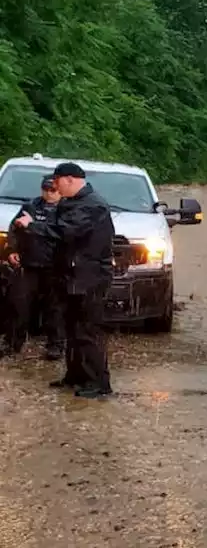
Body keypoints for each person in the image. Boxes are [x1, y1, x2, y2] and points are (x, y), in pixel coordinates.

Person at [16, 162, 115, 398]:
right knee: (71, 329)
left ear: (69, 179)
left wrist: (33, 226)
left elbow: (65, 231)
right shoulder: (73, 203)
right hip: (70, 276)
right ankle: (75, 376)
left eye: (57, 182)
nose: (55, 187)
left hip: (89, 277)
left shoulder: (92, 205)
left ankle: (98, 383)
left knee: (87, 331)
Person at [2, 175, 65, 360]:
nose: (48, 194)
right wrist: (12, 249)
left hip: (54, 266)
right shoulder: (30, 206)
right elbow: (14, 228)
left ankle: (56, 345)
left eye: (52, 190)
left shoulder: (66, 210)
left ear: (60, 191)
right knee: (18, 304)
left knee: (55, 308)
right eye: (45, 189)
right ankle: (12, 342)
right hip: (29, 264)